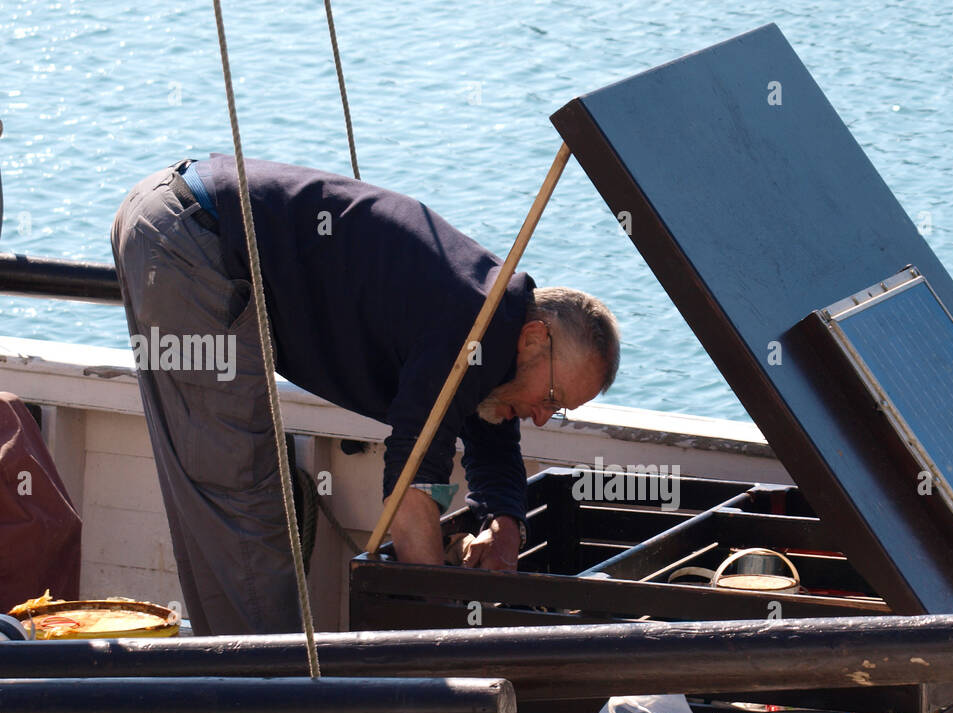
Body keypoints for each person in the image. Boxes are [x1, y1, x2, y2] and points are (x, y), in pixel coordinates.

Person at [110, 156, 619, 636]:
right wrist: (448, 630)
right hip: (193, 237)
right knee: (241, 498)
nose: (543, 419)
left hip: (181, 220)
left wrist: (504, 527)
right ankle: (271, 706)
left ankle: (245, 685)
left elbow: (492, 441)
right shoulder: (469, 327)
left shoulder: (496, 328)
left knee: (226, 495)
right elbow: (412, 488)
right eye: (552, 399)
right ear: (534, 338)